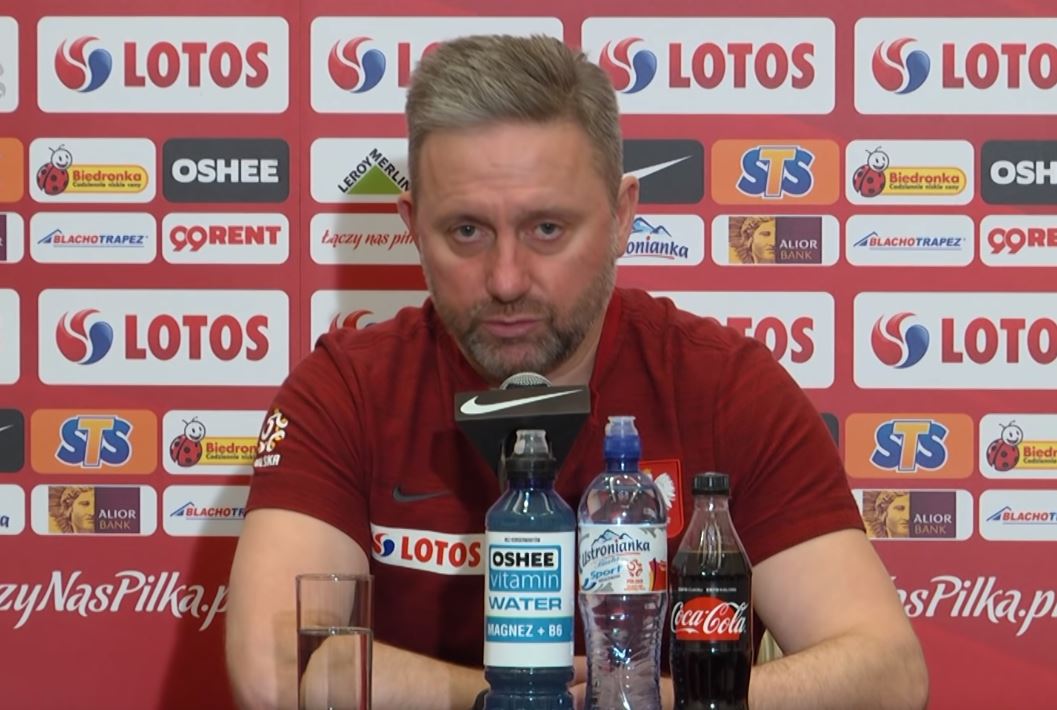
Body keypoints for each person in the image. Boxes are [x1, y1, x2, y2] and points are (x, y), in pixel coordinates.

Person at [226, 34, 929, 710]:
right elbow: (274, 668)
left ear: (622, 217)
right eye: (466, 231)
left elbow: (886, 671)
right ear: (412, 226)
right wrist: (527, 699)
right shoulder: (346, 390)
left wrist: (644, 701)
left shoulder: (723, 387)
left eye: (547, 229)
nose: (506, 280)